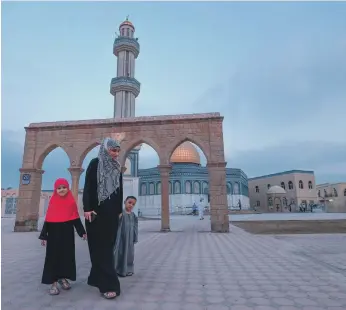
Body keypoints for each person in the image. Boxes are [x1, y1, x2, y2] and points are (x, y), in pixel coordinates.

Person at [83, 137, 123, 300]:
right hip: (96, 214)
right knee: (100, 250)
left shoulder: (117, 167)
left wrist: (119, 210)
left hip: (112, 215)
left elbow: (119, 190)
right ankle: (109, 284)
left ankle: (96, 278)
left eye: (117, 151)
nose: (116, 154)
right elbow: (88, 187)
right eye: (113, 150)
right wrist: (87, 208)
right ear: (105, 150)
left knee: (106, 249)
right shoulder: (95, 163)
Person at [39, 178, 87, 296]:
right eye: (59, 188)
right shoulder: (53, 202)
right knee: (53, 258)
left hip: (67, 236)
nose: (62, 190)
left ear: (68, 188)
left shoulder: (71, 202)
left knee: (66, 257)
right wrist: (44, 236)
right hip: (53, 236)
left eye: (64, 187)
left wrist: (82, 232)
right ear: (55, 189)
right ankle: (53, 283)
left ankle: (63, 278)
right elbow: (48, 220)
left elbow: (75, 218)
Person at [114, 196, 138, 277]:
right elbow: (115, 224)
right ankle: (117, 269)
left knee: (129, 254)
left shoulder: (134, 216)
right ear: (125, 202)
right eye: (129, 202)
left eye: (133, 204)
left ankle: (128, 269)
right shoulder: (121, 214)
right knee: (119, 253)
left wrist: (135, 237)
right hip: (121, 238)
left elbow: (135, 227)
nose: (131, 205)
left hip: (130, 238)